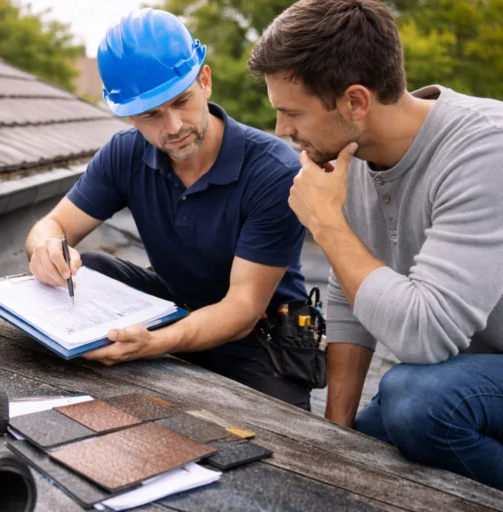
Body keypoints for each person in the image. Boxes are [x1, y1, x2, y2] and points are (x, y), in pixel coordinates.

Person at [248, 0, 503, 489]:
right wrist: (337, 438)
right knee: (369, 440)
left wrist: (326, 224)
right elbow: (349, 289)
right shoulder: (352, 157)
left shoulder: (483, 152)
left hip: (451, 373)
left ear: (356, 102)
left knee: (416, 402)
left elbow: (424, 335)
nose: (282, 130)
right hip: (473, 372)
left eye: (291, 112)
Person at [25, 8, 312, 408]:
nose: (174, 126)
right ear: (127, 115)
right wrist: (45, 250)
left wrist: (154, 344)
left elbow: (243, 309)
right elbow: (52, 225)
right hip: (170, 309)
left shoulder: (273, 171)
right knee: (87, 268)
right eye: (152, 115)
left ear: (205, 82)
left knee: (282, 440)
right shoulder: (124, 154)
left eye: (181, 101)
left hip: (257, 340)